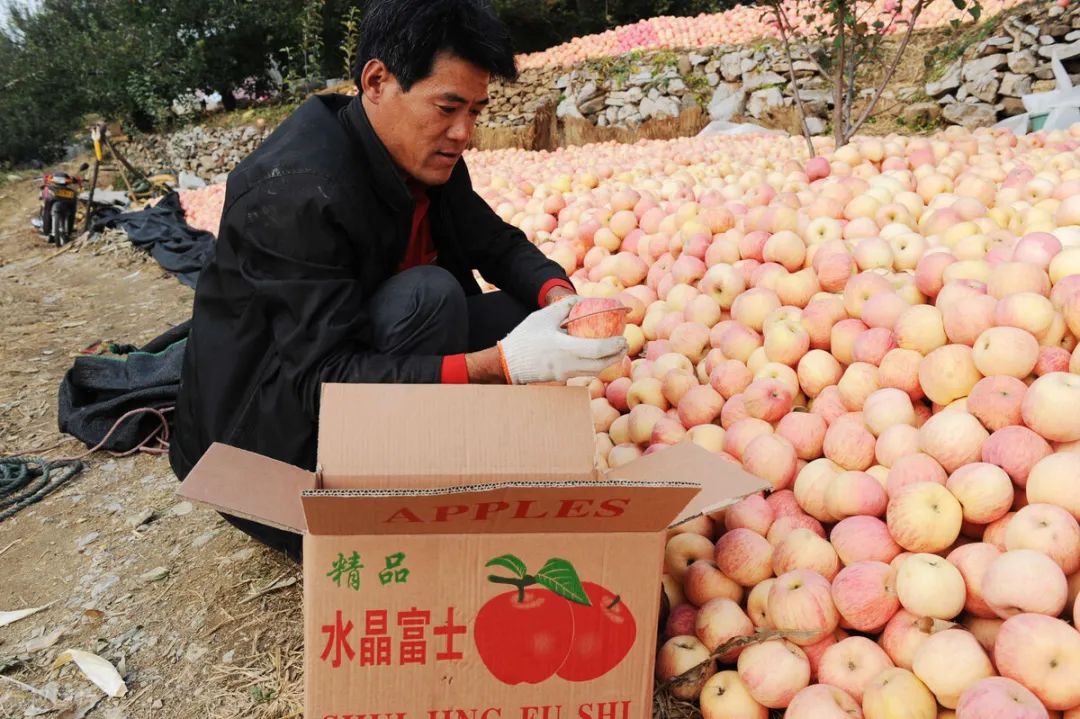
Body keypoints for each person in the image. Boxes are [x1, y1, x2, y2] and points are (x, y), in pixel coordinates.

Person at [170, 0, 628, 560]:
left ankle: (433, 460)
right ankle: (377, 492)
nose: (465, 133)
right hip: (266, 444)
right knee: (430, 297)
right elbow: (323, 379)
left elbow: (497, 243)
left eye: (476, 111)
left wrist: (562, 300)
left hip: (359, 354)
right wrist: (501, 365)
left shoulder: (421, 156)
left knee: (520, 315)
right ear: (378, 81)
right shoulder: (295, 192)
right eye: (447, 107)